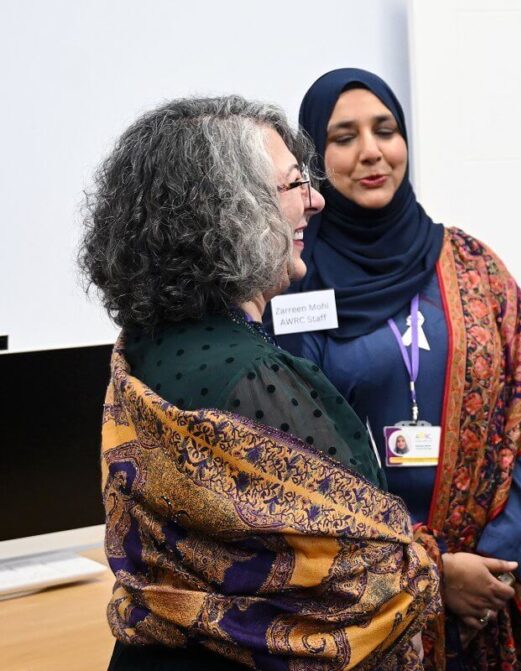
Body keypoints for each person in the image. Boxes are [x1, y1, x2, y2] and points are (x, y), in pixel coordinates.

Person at [79, 95, 439, 671]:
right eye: (297, 184)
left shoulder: (143, 346)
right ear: (231, 210)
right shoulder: (256, 378)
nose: (316, 201)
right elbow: (367, 583)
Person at [272, 68, 521, 671]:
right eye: (344, 136)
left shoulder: (474, 265)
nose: (372, 151)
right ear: (314, 158)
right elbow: (297, 463)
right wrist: (429, 575)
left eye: (386, 130)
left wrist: (493, 569)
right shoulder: (295, 282)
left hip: (485, 598)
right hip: (362, 611)